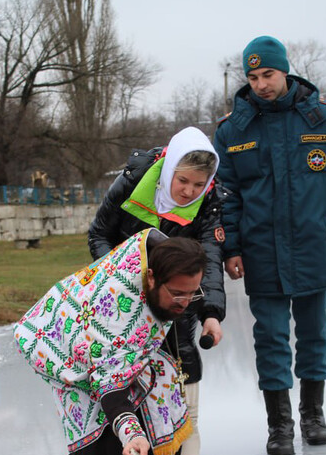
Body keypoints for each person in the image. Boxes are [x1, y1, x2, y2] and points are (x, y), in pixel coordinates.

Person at [212, 35, 326, 455]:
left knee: (313, 334)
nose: (261, 84)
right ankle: (280, 427)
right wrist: (231, 248)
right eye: (252, 77)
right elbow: (224, 194)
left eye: (267, 74)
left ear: (284, 70)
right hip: (260, 252)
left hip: (313, 246)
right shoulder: (233, 130)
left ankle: (312, 416)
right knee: (269, 338)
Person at [87, 126, 226, 455]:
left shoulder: (209, 201)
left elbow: (210, 258)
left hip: (177, 308)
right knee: (128, 410)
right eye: (183, 181)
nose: (189, 191)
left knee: (185, 415)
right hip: (124, 308)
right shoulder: (134, 181)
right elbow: (98, 235)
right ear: (169, 169)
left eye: (198, 184)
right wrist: (123, 280)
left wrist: (211, 314)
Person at [14, 230, 207, 455]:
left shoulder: (161, 259)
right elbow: (110, 384)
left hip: (107, 349)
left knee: (159, 397)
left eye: (192, 293)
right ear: (152, 277)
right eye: (177, 294)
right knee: (104, 439)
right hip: (62, 352)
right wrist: (132, 434)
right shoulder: (116, 315)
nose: (184, 303)